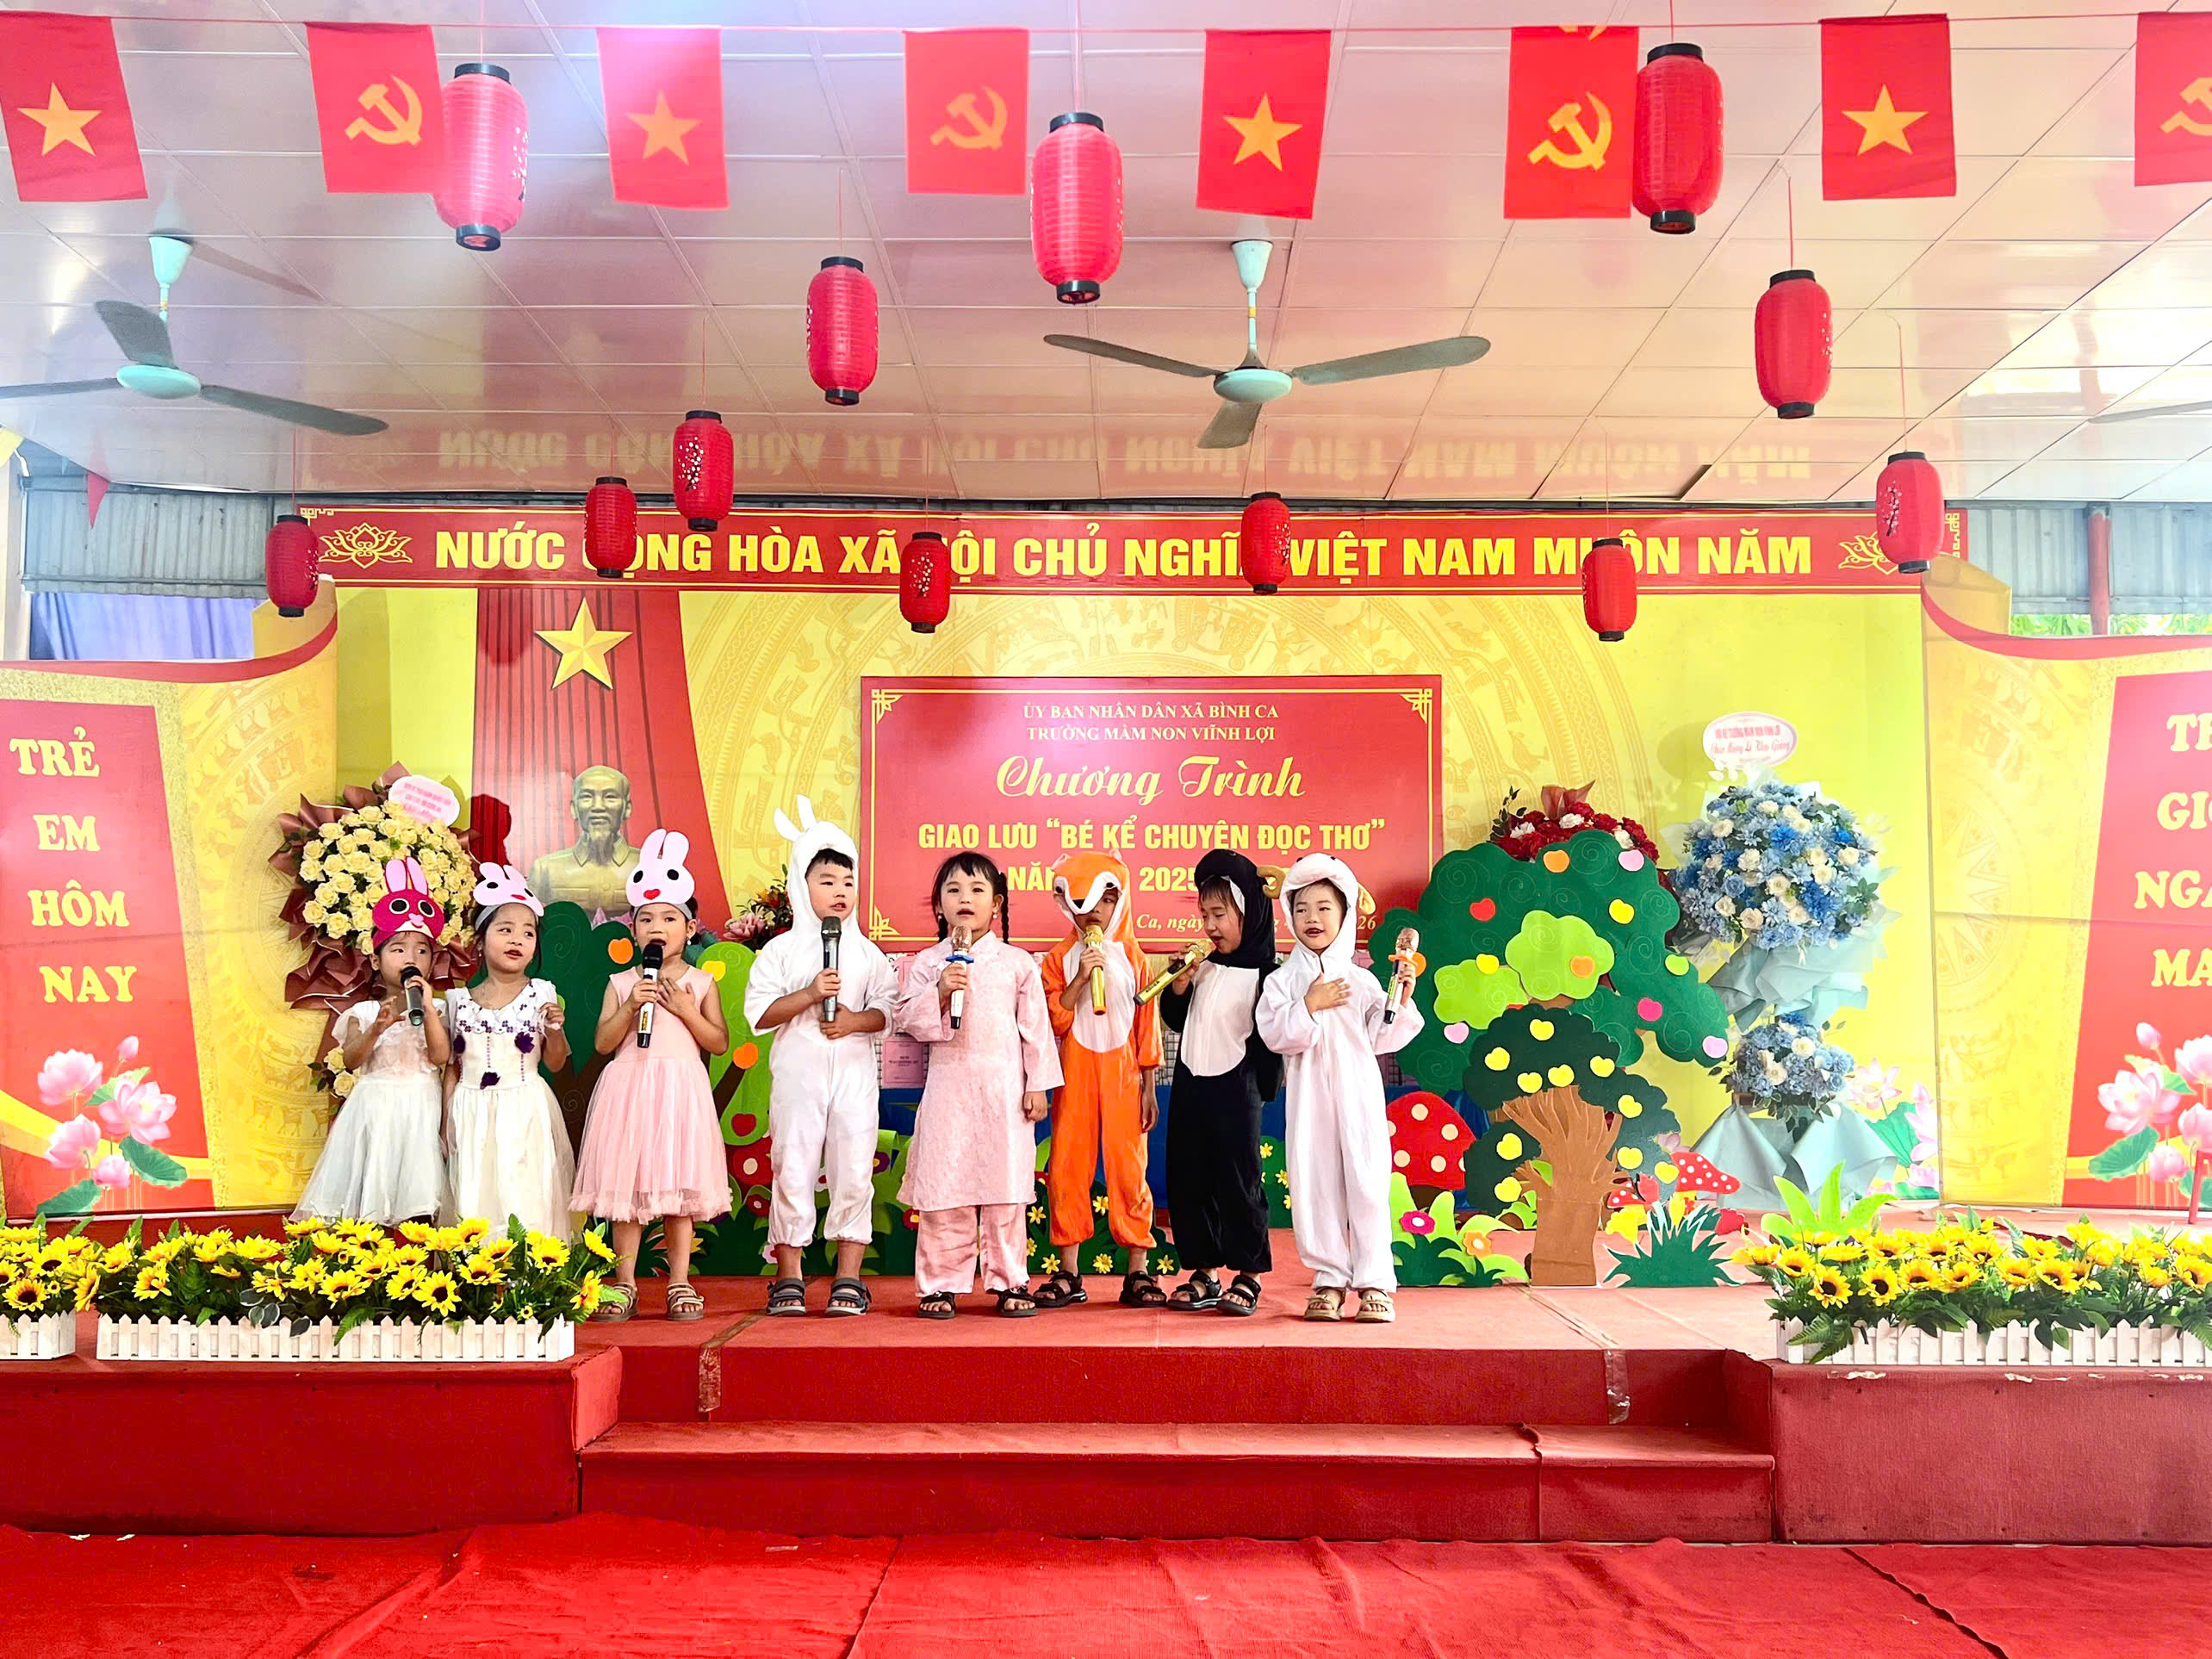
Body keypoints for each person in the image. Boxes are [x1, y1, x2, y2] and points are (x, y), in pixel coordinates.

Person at [570, 829, 730, 1322]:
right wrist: (630, 1006)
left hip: (679, 1094)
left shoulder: (700, 983)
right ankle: (625, 1283)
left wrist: (686, 1010)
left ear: (690, 927)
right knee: (630, 1190)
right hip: (630, 1091)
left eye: (669, 918)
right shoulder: (622, 982)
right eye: (646, 919)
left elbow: (718, 1042)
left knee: (678, 1190)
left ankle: (680, 1282)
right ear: (633, 930)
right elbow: (603, 1043)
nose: (657, 927)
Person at [893, 851, 1061, 1319]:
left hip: (1004, 1090)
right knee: (945, 1187)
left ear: (997, 904)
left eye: (976, 889)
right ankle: (940, 1285)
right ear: (939, 906)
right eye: (953, 890)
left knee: (1005, 1189)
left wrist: (1037, 1085)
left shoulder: (1017, 963)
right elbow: (907, 1019)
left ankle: (1010, 1281)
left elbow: (1036, 1030)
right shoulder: (927, 963)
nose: (964, 898)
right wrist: (941, 989)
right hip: (949, 1089)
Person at [1255, 854, 1422, 1325]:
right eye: (1301, 908)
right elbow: (1275, 1035)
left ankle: (1374, 1283)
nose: (1312, 917)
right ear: (1289, 915)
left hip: (1359, 1096)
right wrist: (1308, 1004)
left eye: (1324, 907)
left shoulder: (1362, 979)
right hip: (1309, 1099)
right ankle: (1328, 1278)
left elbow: (1382, 1036)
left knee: (1367, 1183)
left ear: (1346, 913)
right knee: (1316, 1184)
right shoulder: (1282, 981)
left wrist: (1402, 998)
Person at [745, 798, 895, 1317]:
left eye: (848, 882)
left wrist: (854, 1020)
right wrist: (810, 994)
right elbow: (761, 1014)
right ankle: (788, 1276)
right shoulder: (781, 951)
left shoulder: (869, 954)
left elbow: (887, 1011)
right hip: (798, 1077)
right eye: (827, 881)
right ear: (800, 885)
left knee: (854, 1169)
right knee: (793, 1166)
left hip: (854, 1077)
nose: (840, 892)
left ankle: (848, 1278)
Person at [1032, 852, 1164, 1310]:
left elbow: (1147, 1026)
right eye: (1084, 904)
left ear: (1119, 902)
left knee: (1129, 1168)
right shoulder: (1058, 959)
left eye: (1105, 902)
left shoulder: (1135, 959)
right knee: (1069, 1165)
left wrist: (1149, 1086)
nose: (1094, 914)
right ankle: (1068, 1271)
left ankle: (1138, 1270)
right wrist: (1082, 977)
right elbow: (1054, 1019)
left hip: (1126, 1077)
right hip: (1075, 1075)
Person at [293, 858, 452, 1226]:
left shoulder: (438, 1008)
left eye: (422, 951)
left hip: (420, 1107)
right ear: (377, 960)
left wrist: (428, 1010)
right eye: (399, 949)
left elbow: (441, 1056)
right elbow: (351, 1059)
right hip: (374, 1108)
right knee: (370, 1194)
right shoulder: (363, 1012)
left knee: (418, 1194)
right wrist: (376, 1029)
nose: (411, 958)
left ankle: (417, 1254)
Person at [1160, 849, 1283, 1317]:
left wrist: (1263, 1088)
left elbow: (1273, 1040)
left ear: (1250, 914)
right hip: (1191, 1084)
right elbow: (1176, 1020)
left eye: (1220, 915)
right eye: (1204, 915)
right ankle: (1204, 1270)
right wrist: (1178, 986)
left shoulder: (1268, 974)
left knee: (1238, 1180)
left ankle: (1248, 1273)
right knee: (1189, 1178)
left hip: (1237, 1088)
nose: (1210, 926)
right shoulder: (1204, 966)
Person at [443, 863, 577, 1240]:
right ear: (480, 940)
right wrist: (446, 1123)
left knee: (527, 1199)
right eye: (505, 930)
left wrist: (556, 1029)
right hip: (471, 1113)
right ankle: (477, 1273)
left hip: (525, 1109)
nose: (517, 939)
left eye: (528, 932)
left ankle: (531, 1272)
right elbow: (451, 1068)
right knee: (475, 1201)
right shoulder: (456, 1001)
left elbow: (555, 1062)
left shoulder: (541, 993)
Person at [529, 764, 640, 918]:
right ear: (574, 808)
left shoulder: (652, 867)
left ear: (627, 808)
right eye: (587, 797)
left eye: (610, 797)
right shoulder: (545, 870)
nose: (598, 807)